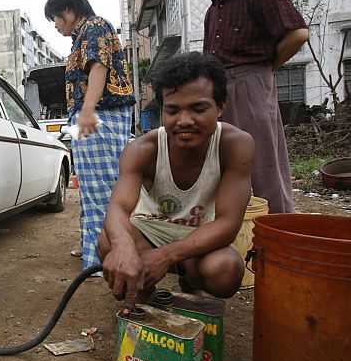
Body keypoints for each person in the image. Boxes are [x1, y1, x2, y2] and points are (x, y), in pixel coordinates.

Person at [98, 52, 255, 312]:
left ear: (220, 106)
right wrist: (123, 247)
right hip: (149, 232)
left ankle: (191, 280)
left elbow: (228, 223)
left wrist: (166, 256)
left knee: (225, 271)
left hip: (200, 237)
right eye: (172, 110)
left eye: (198, 108)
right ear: (163, 110)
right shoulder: (142, 149)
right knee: (108, 242)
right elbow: (118, 208)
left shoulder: (236, 145)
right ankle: (143, 288)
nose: (184, 121)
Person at [188, 0, 308, 213]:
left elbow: (298, 34)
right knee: (224, 163)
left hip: (251, 83)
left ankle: (278, 230)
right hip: (218, 91)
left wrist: (265, 69)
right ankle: (234, 233)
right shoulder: (212, 11)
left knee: (263, 162)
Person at [44, 0, 135, 274]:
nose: (56, 26)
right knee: (90, 187)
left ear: (68, 10)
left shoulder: (94, 26)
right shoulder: (82, 36)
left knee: (102, 189)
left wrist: (86, 111)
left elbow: (98, 67)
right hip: (91, 117)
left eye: (56, 19)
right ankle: (92, 246)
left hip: (99, 116)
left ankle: (102, 259)